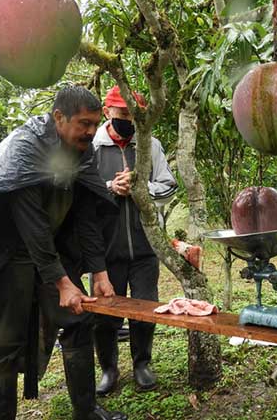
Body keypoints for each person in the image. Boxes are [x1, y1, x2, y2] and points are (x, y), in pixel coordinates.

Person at [0, 86, 126, 420]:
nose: (91, 131)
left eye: (95, 123)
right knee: (3, 345)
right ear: (59, 118)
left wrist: (100, 272)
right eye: (84, 123)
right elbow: (31, 222)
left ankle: (87, 410)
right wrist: (62, 282)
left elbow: (86, 213)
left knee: (78, 320)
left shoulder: (83, 149)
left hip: (50, 247)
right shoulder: (25, 146)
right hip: (5, 255)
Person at [92, 85, 177, 395]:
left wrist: (141, 186)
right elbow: (81, 193)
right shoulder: (94, 147)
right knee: (104, 314)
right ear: (108, 112)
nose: (129, 118)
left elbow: (169, 187)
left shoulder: (149, 145)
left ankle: (142, 363)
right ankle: (108, 370)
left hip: (144, 247)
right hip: (105, 247)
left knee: (146, 306)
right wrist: (109, 187)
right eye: (122, 113)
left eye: (133, 113)